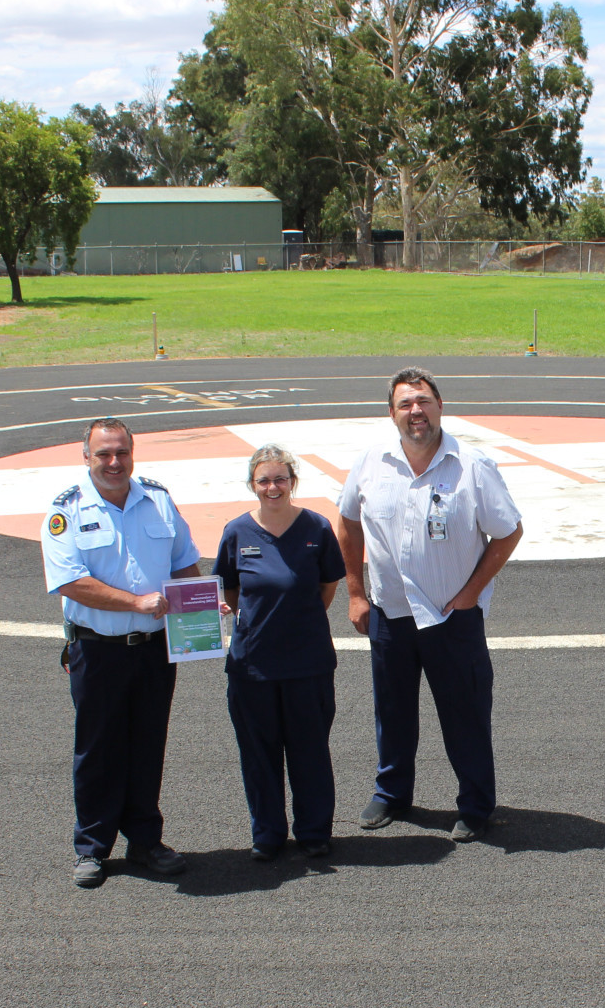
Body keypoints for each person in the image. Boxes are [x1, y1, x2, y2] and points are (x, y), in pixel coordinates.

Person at [336, 368, 524, 843]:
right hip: (389, 613)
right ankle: (392, 793)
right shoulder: (371, 462)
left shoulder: (472, 465)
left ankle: (476, 804)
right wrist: (357, 593)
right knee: (393, 711)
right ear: (391, 413)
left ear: (440, 406)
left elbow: (508, 531)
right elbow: (347, 524)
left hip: (451, 616)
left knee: (465, 713)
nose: (415, 411)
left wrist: (469, 595)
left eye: (423, 401)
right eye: (405, 404)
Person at [42, 417, 204, 889]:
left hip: (154, 651)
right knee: (98, 750)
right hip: (98, 651)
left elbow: (184, 564)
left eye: (122, 453)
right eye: (104, 454)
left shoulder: (158, 500)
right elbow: (69, 581)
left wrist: (202, 603)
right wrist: (135, 602)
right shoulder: (66, 510)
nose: (114, 463)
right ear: (86, 456)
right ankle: (92, 847)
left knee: (148, 745)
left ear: (133, 454)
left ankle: (145, 841)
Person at [213, 445, 347, 861]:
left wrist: (297, 619)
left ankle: (313, 832)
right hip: (253, 665)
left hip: (307, 663)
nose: (273, 487)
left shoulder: (316, 528)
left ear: (293, 482)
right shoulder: (237, 532)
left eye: (280, 479)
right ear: (252, 485)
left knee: (309, 750)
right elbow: (229, 589)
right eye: (264, 480)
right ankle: (268, 833)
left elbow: (328, 585)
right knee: (259, 754)